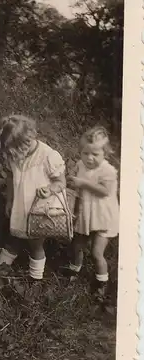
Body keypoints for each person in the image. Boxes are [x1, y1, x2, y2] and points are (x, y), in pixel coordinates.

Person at [0, 114, 66, 280]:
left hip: (38, 210)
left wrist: (50, 189)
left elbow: (61, 182)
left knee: (36, 244)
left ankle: (35, 279)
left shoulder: (48, 156)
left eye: (15, 151)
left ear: (27, 141)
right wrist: (10, 200)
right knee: (13, 238)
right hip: (21, 206)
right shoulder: (14, 156)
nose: (13, 156)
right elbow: (11, 176)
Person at [63, 126, 119, 298]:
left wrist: (83, 183)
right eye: (85, 153)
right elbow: (78, 184)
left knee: (96, 252)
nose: (89, 158)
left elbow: (105, 191)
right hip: (86, 214)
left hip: (103, 216)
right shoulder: (81, 165)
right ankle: (73, 273)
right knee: (77, 245)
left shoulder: (108, 170)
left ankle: (101, 284)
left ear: (105, 154)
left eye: (95, 154)